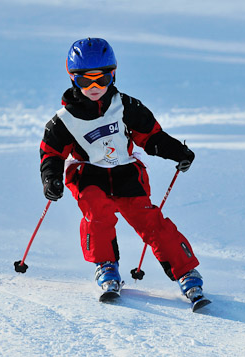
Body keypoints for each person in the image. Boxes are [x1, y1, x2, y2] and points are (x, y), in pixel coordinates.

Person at [39, 37, 207, 307]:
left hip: (125, 173)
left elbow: (151, 136)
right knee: (98, 213)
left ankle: (186, 272)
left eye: (101, 80)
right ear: (72, 79)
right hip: (89, 175)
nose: (94, 88)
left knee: (151, 222)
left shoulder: (126, 106)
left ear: (113, 75)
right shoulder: (64, 120)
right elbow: (51, 153)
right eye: (85, 81)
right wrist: (51, 179)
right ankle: (106, 265)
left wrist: (178, 151)